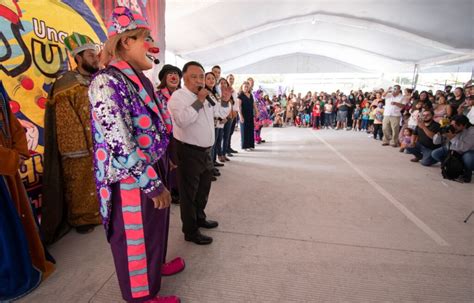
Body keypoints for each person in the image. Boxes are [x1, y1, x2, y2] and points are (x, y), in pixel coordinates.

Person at [88, 6, 179, 302]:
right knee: (136, 236)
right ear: (127, 42)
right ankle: (142, 295)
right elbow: (120, 142)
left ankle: (154, 268)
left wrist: (167, 157)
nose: (152, 45)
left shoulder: (139, 79)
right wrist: (150, 182)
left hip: (153, 165)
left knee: (155, 227)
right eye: (146, 38)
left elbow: (155, 123)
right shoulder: (107, 81)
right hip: (131, 177)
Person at [42, 32, 101, 238]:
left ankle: (103, 212)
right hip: (79, 145)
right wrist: (76, 147)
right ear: (78, 58)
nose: (96, 58)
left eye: (96, 54)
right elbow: (65, 117)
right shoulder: (66, 82)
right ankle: (82, 218)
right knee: (80, 181)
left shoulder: (100, 79)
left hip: (102, 141)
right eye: (91, 55)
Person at [0, 83, 54, 301]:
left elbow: (12, 124)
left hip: (8, 171)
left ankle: (26, 263)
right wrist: (10, 159)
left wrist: (19, 154)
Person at [168, 61, 231, 245]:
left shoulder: (206, 95)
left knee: (203, 189)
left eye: (201, 76)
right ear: (184, 77)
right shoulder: (178, 97)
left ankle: (200, 218)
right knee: (189, 194)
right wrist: (200, 101)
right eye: (194, 76)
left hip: (205, 152)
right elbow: (182, 121)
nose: (199, 80)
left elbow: (219, 112)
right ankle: (190, 230)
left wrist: (225, 100)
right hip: (188, 152)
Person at [156, 64, 182, 205]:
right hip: (166, 134)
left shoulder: (183, 95)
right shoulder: (157, 95)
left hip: (183, 133)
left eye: (176, 74)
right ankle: (172, 190)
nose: (174, 76)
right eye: (170, 74)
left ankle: (179, 189)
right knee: (170, 162)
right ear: (164, 78)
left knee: (181, 162)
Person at [431, 115, 474, 183]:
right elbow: (435, 142)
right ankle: (450, 167)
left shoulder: (471, 131)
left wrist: (452, 138)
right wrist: (439, 134)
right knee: (435, 154)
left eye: (457, 125)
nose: (454, 127)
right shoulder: (449, 127)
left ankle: (466, 172)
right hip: (453, 149)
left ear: (464, 125)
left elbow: (464, 148)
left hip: (467, 151)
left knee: (469, 160)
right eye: (452, 124)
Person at [238, 81, 256, 150]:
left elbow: (253, 104)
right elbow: (239, 107)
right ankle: (245, 146)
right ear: (242, 87)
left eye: (247, 87)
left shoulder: (250, 95)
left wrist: (257, 111)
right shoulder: (240, 96)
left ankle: (250, 145)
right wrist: (240, 116)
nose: (246, 88)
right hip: (244, 114)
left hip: (250, 114)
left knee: (251, 130)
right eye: (245, 86)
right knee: (244, 130)